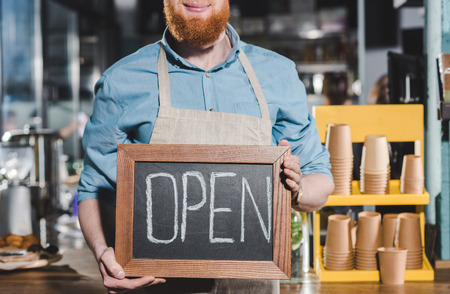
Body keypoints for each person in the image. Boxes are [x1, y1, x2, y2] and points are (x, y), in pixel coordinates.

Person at [77, 0, 334, 293]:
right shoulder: (121, 81)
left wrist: (297, 187)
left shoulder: (279, 75)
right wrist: (103, 251)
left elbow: (320, 182)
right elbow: (95, 188)